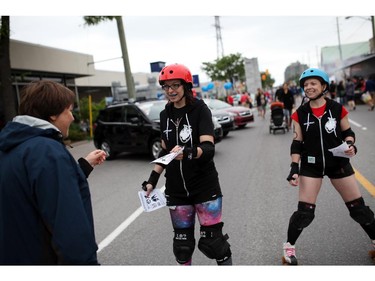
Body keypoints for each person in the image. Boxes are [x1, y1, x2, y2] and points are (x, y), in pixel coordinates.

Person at [0, 80, 106, 265]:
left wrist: (82, 166)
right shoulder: (48, 152)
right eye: (69, 110)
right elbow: (69, 228)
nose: (72, 118)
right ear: (52, 114)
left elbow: (31, 191)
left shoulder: (11, 147)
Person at [141, 63, 232, 266]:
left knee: (214, 243)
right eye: (166, 86)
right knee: (182, 248)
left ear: (186, 86)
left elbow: (208, 148)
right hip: (176, 190)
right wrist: (151, 180)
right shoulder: (165, 116)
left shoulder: (200, 110)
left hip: (204, 187)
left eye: (175, 85)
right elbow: (165, 151)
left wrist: (188, 152)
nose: (171, 91)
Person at [282, 68, 375, 265]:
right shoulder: (300, 114)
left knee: (358, 209)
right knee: (305, 212)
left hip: (338, 163)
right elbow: (297, 142)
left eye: (313, 83)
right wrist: (294, 167)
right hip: (311, 166)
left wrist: (350, 145)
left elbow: (348, 132)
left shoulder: (337, 108)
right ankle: (288, 247)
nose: (309, 87)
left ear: (324, 86)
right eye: (306, 85)